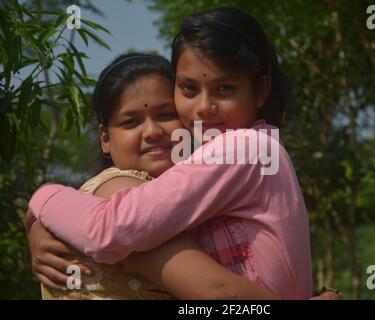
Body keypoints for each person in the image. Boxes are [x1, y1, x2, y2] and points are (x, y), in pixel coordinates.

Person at [27, 7, 339, 299]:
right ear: (104, 138)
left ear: (260, 90)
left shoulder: (248, 147)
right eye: (189, 89)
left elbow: (109, 230)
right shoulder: (221, 158)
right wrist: (38, 224)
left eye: (224, 89)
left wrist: (42, 197)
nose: (204, 108)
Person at [25, 53, 281, 300]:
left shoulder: (176, 197)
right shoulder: (124, 192)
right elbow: (218, 292)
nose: (152, 131)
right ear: (105, 138)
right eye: (131, 122)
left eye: (165, 115)